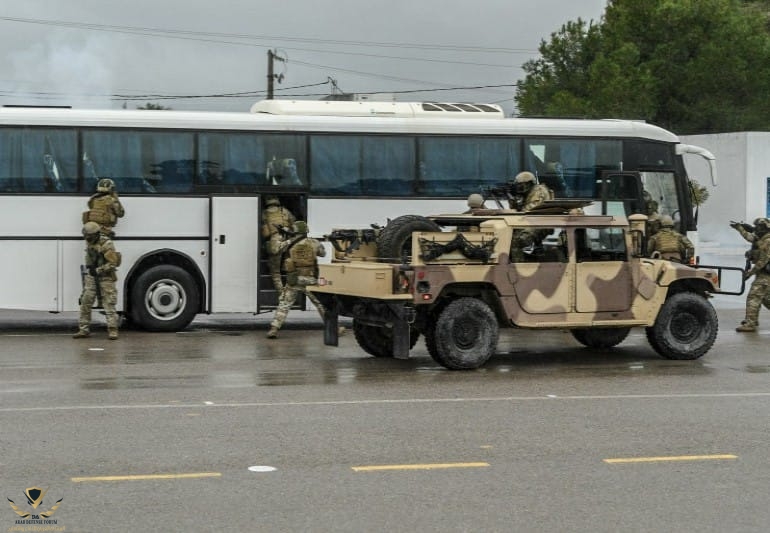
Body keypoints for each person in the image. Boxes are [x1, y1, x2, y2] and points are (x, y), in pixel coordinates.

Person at [266, 221, 330, 339]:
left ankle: (274, 329)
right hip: (311, 279)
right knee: (320, 303)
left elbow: (276, 249)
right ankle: (334, 328)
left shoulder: (289, 243)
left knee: (284, 304)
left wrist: (285, 237)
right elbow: (323, 254)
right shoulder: (314, 242)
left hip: (294, 279)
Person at [73, 222, 121, 340]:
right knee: (86, 301)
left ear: (95, 234)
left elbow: (113, 263)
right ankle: (83, 329)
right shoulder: (90, 241)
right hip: (92, 275)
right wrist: (91, 271)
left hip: (105, 276)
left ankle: (112, 329)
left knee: (109, 303)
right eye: (85, 236)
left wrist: (99, 270)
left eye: (89, 236)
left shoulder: (106, 244)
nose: (86, 238)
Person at [737, 218, 770, 332]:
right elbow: (750, 237)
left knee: (754, 297)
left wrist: (750, 273)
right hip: (763, 274)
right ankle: (752, 319)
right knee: (765, 298)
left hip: (765, 275)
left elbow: (762, 261)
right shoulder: (761, 238)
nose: (757, 229)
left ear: (765, 228)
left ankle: (750, 323)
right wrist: (740, 228)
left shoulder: (768, 240)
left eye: (759, 227)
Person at [261, 196, 296, 290]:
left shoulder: (264, 213)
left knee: (275, 272)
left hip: (275, 241)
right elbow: (294, 223)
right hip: (288, 240)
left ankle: (281, 292)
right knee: (289, 268)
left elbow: (262, 229)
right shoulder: (284, 211)